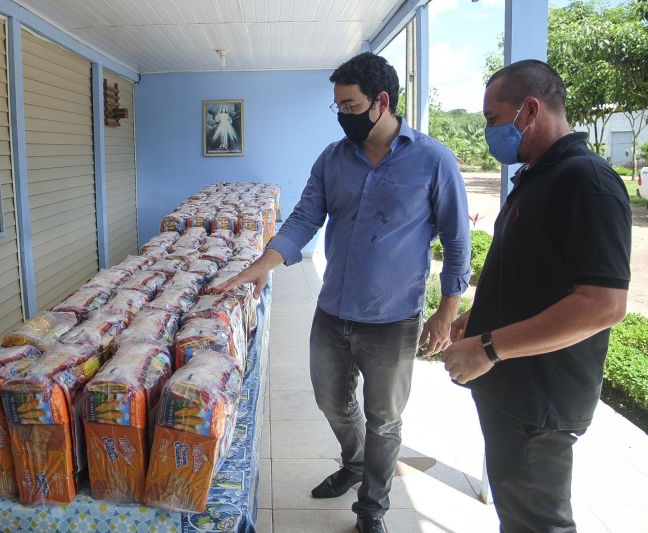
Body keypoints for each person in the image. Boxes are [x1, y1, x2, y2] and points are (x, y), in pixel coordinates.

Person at [214, 52, 471, 533]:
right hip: (333, 312)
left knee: (385, 420)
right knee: (331, 401)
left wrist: (446, 309)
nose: (343, 116)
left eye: (350, 106)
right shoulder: (333, 159)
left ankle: (372, 508)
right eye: (337, 107)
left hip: (394, 320)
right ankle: (354, 463)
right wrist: (264, 264)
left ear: (382, 102)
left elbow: (458, 240)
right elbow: (305, 216)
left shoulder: (432, 161)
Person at [442, 59, 631, 532]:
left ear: (529, 110)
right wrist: (480, 316)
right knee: (520, 517)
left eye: (492, 118)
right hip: (512, 391)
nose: (488, 130)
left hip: (537, 401)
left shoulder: (587, 182)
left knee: (536, 524)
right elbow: (533, 273)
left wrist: (489, 347)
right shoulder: (538, 175)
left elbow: (604, 305)